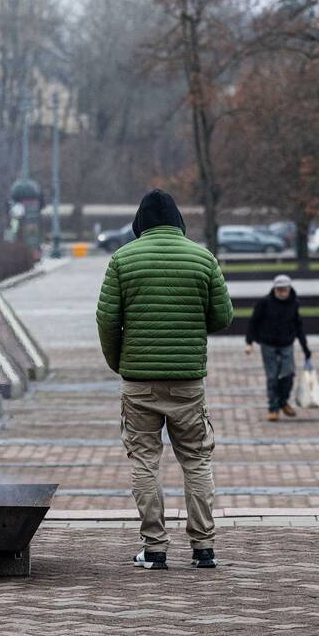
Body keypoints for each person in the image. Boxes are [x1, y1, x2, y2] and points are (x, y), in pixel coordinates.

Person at [96, 188, 234, 571]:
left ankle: (155, 548)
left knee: (144, 461)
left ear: (140, 223)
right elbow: (223, 316)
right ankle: (203, 547)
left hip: (139, 381)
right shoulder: (202, 257)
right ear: (178, 222)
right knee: (196, 460)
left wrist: (119, 362)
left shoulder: (123, 260)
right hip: (187, 381)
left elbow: (107, 319)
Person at [244, 274, 312, 421]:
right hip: (268, 343)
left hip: (286, 343)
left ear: (289, 289)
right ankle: (273, 408)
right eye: (279, 290)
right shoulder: (264, 303)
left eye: (284, 290)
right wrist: (249, 343)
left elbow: (298, 327)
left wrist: (306, 348)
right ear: (274, 289)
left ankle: (283, 401)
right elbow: (253, 322)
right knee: (272, 376)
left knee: (288, 374)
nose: (281, 293)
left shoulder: (294, 304)